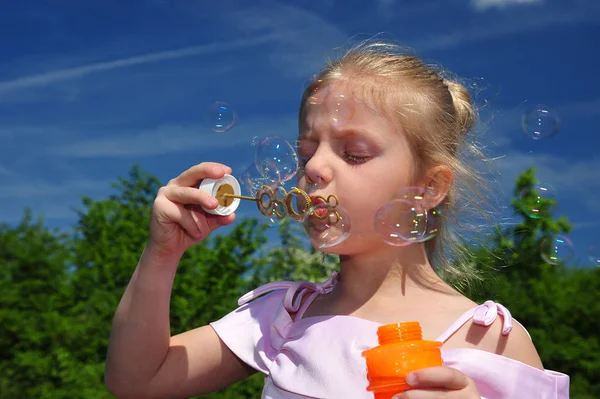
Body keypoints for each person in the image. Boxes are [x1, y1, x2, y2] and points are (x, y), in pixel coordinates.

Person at [104, 40, 570, 398]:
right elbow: (138, 382)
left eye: (354, 153)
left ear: (428, 188)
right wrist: (162, 254)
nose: (312, 169)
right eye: (307, 151)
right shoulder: (283, 316)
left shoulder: (488, 338)